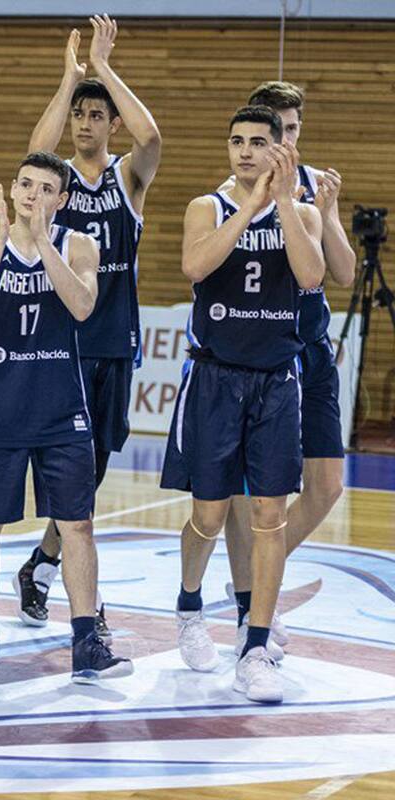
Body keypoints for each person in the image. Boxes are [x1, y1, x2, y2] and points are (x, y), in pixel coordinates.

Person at [0, 152, 132, 683]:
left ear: (62, 199)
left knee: (78, 525)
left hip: (61, 411)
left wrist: (43, 242)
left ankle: (84, 643)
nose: (31, 194)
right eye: (24, 184)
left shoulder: (80, 245)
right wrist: (5, 238)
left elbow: (80, 307)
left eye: (44, 188)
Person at [162, 106, 324, 703]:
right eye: (237, 142)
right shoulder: (207, 207)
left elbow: (310, 278)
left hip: (276, 380)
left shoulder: (299, 211)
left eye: (259, 142)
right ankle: (188, 606)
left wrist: (281, 202)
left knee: (270, 516)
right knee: (208, 515)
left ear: (280, 147)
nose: (247, 152)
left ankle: (254, 645)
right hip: (215, 379)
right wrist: (251, 207)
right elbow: (194, 266)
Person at [14, 16, 161, 636]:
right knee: (73, 474)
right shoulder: (58, 183)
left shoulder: (128, 178)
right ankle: (75, 585)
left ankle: (43, 564)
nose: (86, 122)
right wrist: (69, 80)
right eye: (80, 114)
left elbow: (153, 136)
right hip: (62, 344)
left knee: (94, 468)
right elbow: (34, 151)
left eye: (97, 115)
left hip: (114, 342)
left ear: (111, 125)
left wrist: (103, 70)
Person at [218, 81, 356, 651]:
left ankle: (253, 582)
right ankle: (253, 602)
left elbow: (342, 274)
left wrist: (330, 214)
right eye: (278, 129)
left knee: (325, 487)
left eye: (294, 129)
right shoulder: (230, 195)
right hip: (257, 353)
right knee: (242, 494)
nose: (284, 140)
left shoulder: (312, 186)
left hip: (311, 349)